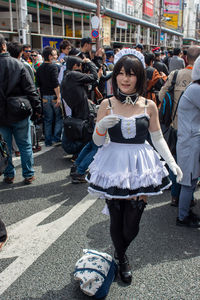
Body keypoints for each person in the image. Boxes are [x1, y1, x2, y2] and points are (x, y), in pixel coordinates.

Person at [87, 48, 182, 284]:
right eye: (120, 73)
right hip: (114, 167)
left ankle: (121, 251)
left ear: (139, 77)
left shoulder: (149, 105)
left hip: (140, 167)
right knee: (116, 220)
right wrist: (101, 127)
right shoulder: (106, 104)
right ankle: (122, 258)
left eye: (130, 74)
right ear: (115, 76)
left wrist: (172, 163)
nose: (125, 78)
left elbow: (158, 137)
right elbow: (97, 142)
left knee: (132, 226)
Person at [159, 46, 200, 206]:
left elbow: (161, 95)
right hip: (193, 129)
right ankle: (187, 199)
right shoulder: (196, 80)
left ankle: (175, 196)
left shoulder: (175, 74)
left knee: (176, 162)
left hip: (175, 126)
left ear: (185, 57)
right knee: (191, 166)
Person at [0, 34, 42, 184]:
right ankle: (28, 174)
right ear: (4, 46)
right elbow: (31, 90)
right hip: (20, 110)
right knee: (25, 144)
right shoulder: (19, 64)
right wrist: (37, 108)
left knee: (5, 146)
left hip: (1, 113)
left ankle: (9, 174)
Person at [176, 55, 200, 228]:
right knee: (189, 181)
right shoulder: (196, 90)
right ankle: (182, 217)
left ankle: (185, 212)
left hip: (190, 139)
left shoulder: (195, 87)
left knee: (190, 180)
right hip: (190, 142)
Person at [61, 56, 98, 156]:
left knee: (78, 132)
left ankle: (78, 155)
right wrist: (90, 63)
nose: (82, 68)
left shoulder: (67, 76)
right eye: (81, 66)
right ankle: (81, 157)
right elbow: (94, 77)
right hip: (82, 111)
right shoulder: (73, 75)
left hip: (75, 110)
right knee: (86, 135)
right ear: (75, 66)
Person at [36, 46, 63, 147]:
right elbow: (55, 83)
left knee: (47, 119)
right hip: (53, 96)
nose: (55, 56)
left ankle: (48, 141)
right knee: (58, 117)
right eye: (54, 54)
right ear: (50, 56)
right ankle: (56, 138)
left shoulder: (39, 68)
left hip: (44, 97)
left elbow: (38, 84)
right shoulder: (53, 67)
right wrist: (58, 96)